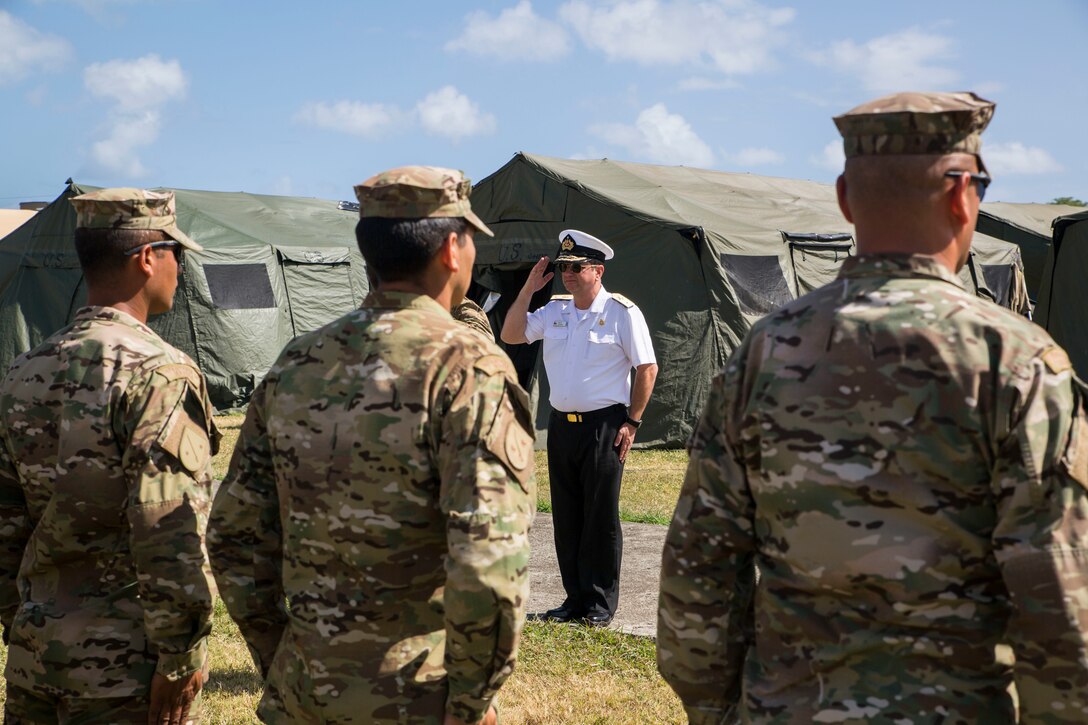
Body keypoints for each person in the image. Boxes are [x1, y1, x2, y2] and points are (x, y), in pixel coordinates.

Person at [657, 91, 1088, 723]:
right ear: (963, 195)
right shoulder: (1016, 362)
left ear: (844, 199)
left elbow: (699, 570)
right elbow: (1062, 603)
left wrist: (718, 712)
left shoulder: (762, 353)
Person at [208, 166, 536, 725]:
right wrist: (470, 701)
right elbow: (490, 559)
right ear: (452, 250)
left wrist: (282, 658)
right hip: (419, 699)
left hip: (304, 694)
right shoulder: (468, 367)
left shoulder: (297, 362)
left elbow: (234, 538)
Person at [0, 188, 218, 724]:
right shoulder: (160, 373)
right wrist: (181, 653)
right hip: (126, 670)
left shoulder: (24, 370)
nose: (180, 268)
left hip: (35, 658)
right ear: (147, 258)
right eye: (176, 253)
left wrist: (22, 624)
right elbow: (170, 526)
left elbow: (5, 522)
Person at [501, 230, 658, 626]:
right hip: (562, 426)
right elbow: (511, 334)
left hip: (605, 425)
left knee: (599, 515)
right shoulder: (555, 310)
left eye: (575, 267)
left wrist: (632, 422)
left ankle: (600, 605)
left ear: (597, 271)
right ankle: (574, 599)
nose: (567, 274)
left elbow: (647, 368)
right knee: (567, 516)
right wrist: (528, 289)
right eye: (563, 268)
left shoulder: (622, 312)